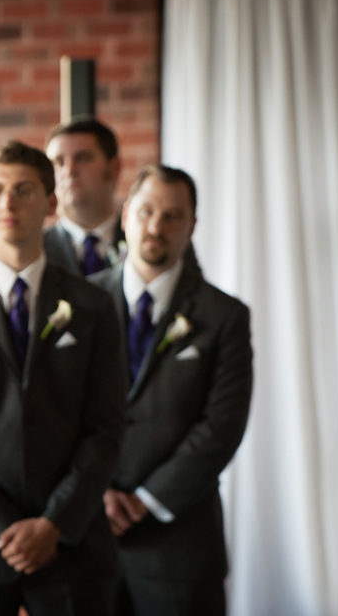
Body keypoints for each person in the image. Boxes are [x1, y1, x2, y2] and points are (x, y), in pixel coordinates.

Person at [0, 141, 128, 616]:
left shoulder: (93, 305)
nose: (8, 202)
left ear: (50, 203)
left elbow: (106, 428)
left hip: (72, 547)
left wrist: (53, 524)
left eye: (24, 190)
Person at [89, 166, 252, 616]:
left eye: (173, 215)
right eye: (146, 212)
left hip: (180, 544)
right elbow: (54, 411)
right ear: (125, 216)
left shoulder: (225, 316)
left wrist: (145, 501)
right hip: (85, 541)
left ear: (192, 226)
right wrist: (96, 489)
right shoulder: (77, 305)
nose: (156, 227)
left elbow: (222, 425)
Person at [43, 117, 126, 276]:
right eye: (58, 162)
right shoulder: (36, 250)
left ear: (114, 168)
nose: (69, 170)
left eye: (82, 158)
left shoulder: (144, 241)